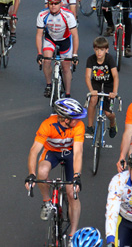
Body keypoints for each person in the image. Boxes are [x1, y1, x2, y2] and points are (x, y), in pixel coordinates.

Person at [25, 98, 87, 239]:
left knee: (72, 193)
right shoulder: (47, 125)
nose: (78, 121)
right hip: (52, 152)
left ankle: (73, 234)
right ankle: (47, 202)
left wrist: (77, 176)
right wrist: (31, 174)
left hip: (70, 154)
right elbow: (34, 151)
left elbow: (78, 152)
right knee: (42, 172)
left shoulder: (78, 126)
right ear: (65, 119)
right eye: (75, 118)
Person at [36, 0, 79, 98]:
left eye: (56, 3)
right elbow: (39, 35)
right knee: (46, 60)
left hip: (65, 39)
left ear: (61, 3)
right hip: (50, 39)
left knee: (66, 68)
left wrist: (75, 54)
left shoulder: (68, 15)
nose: (53, 6)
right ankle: (49, 85)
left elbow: (75, 35)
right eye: (51, 3)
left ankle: (68, 93)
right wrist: (39, 53)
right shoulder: (42, 15)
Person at [85, 36, 119, 139]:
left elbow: (115, 76)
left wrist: (114, 92)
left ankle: (113, 123)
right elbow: (87, 76)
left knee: (108, 113)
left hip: (109, 84)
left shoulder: (109, 59)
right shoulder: (91, 59)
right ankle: (90, 127)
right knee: (93, 100)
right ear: (94, 49)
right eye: (97, 50)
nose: (99, 53)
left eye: (102, 50)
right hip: (96, 83)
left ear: (106, 50)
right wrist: (91, 90)